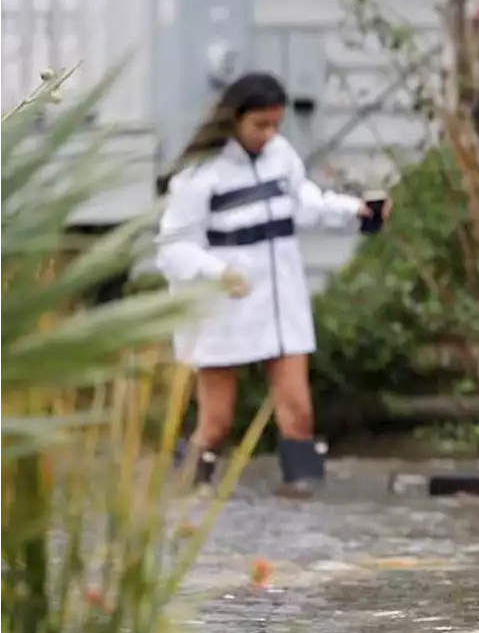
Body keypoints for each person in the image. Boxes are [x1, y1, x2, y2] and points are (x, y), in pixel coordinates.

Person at [155, 72, 392, 498]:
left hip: (282, 302)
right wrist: (215, 273)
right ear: (234, 119)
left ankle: (301, 499)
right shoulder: (198, 175)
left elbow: (305, 203)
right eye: (260, 125)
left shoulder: (280, 156)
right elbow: (172, 247)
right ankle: (186, 497)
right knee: (217, 421)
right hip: (224, 306)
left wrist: (356, 210)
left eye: (275, 124)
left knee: (298, 412)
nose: (269, 134)